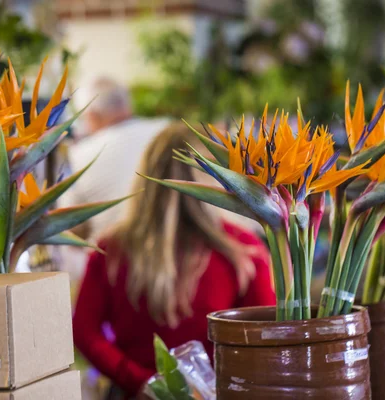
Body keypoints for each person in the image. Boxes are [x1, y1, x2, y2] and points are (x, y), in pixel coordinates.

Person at [72, 123, 275, 399]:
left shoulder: (111, 250)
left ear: (147, 177)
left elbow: (84, 332)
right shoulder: (243, 251)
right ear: (214, 179)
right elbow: (264, 337)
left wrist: (141, 382)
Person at [60, 77, 170, 241]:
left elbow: (69, 226)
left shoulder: (80, 154)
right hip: (178, 250)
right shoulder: (166, 130)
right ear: (127, 105)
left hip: (116, 258)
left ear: (92, 116)